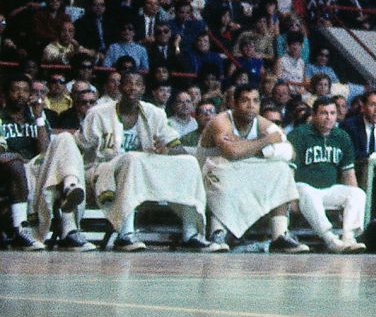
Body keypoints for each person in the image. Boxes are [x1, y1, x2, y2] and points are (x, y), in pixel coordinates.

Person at [80, 71, 217, 251]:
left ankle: (190, 234)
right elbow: (81, 146)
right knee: (132, 158)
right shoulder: (98, 113)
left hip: (142, 170)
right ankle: (125, 234)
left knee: (189, 162)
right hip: (104, 168)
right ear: (120, 87)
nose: (132, 88)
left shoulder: (154, 113)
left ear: (143, 89)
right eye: (128, 83)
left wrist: (167, 149)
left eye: (138, 84)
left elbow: (176, 146)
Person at [197, 85, 305, 251]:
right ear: (234, 103)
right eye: (245, 100)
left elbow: (290, 152)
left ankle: (280, 234)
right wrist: (266, 140)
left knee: (281, 170)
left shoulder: (261, 122)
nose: (251, 105)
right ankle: (217, 232)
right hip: (205, 172)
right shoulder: (221, 121)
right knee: (223, 167)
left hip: (238, 169)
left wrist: (246, 146)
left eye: (255, 101)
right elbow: (232, 153)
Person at [1, 73, 91, 249]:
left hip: (37, 166)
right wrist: (18, 157)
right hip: (13, 171)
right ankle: (63, 230)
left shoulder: (36, 117)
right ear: (5, 94)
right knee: (41, 168)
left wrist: (39, 117)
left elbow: (45, 150)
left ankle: (71, 186)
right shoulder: (1, 117)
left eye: (25, 91)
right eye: (15, 90)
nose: (20, 95)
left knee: (65, 138)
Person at [287, 96, 367, 252]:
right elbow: (289, 171)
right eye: (324, 113)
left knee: (358, 193)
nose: (329, 117)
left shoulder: (342, 136)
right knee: (306, 191)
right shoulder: (299, 134)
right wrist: (290, 199)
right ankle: (330, 239)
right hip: (303, 188)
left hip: (328, 190)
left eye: (332, 113)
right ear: (314, 115)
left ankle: (348, 237)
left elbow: (348, 173)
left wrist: (350, 202)